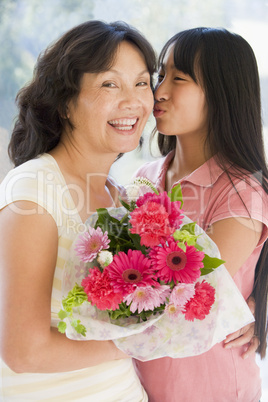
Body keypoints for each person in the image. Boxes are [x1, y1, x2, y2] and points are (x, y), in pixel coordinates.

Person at [0, 20, 156, 401]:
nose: (133, 100)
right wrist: (138, 342)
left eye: (141, 82)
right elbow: (23, 352)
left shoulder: (122, 197)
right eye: (109, 83)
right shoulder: (35, 190)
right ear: (66, 103)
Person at [133, 27, 268, 402]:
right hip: (137, 387)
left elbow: (189, 300)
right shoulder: (144, 179)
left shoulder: (240, 193)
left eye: (178, 78)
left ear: (222, 95)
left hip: (211, 389)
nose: (159, 91)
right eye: (161, 75)